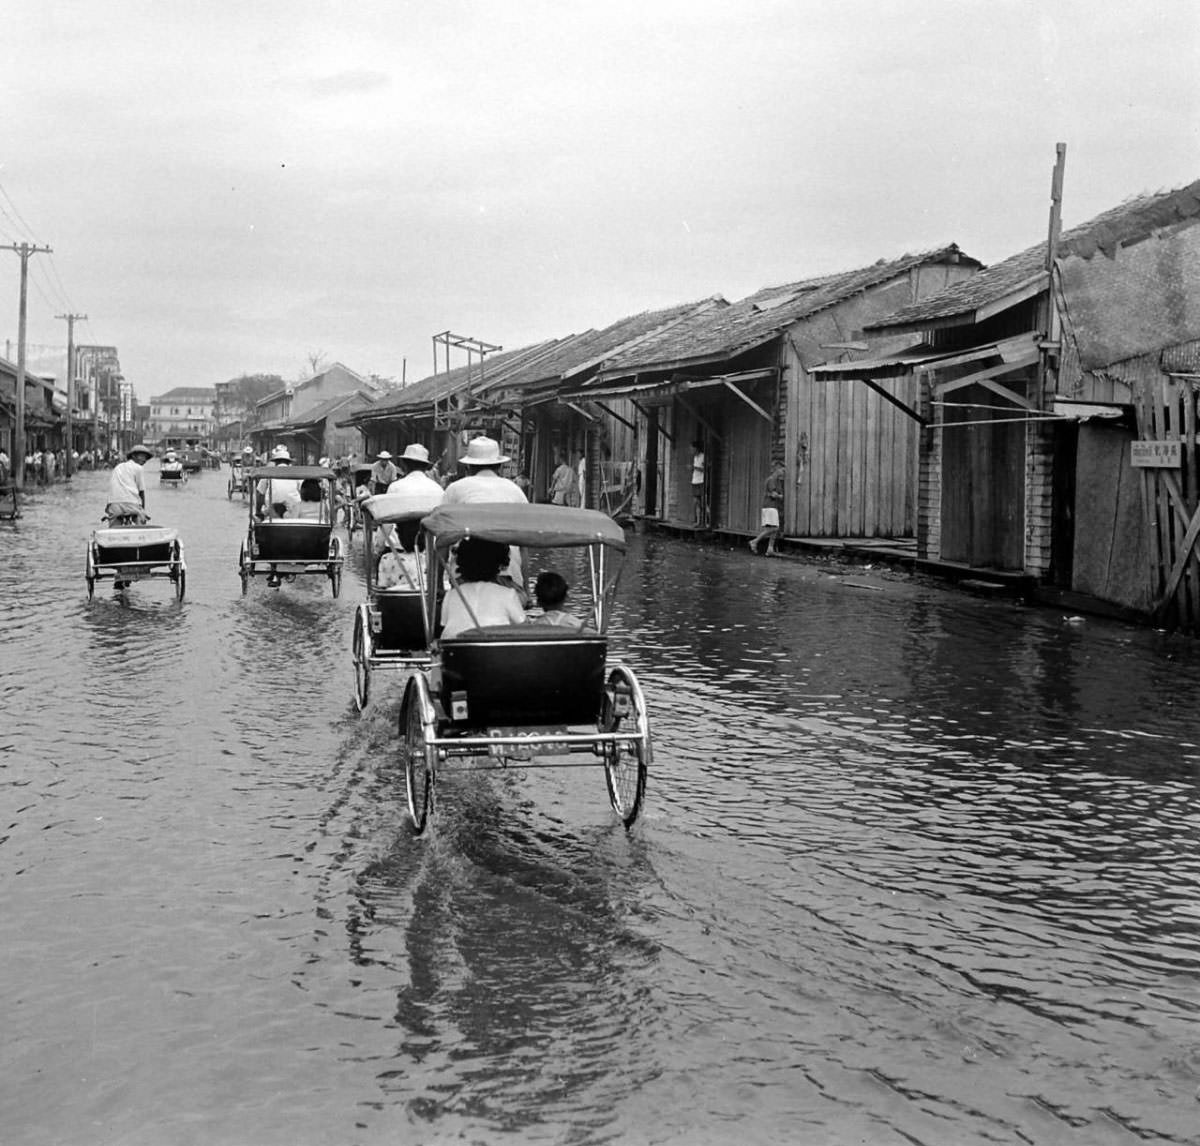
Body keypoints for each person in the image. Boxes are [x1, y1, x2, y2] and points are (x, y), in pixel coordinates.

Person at [442, 435, 528, 590]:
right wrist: (526, 589)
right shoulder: (514, 490)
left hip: (464, 576)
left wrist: (438, 587)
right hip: (508, 575)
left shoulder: (454, 489)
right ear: (499, 467)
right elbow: (524, 545)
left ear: (469, 467)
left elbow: (442, 539)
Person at [440, 537, 527, 638]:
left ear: (461, 563)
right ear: (500, 564)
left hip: (455, 649)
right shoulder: (508, 594)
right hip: (492, 648)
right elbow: (523, 628)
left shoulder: (451, 595)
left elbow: (445, 624)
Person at [106, 443, 153, 524]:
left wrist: (109, 505)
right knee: (141, 525)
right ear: (133, 456)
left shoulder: (117, 467)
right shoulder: (138, 468)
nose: (144, 460)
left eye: (145, 457)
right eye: (142, 456)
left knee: (114, 528)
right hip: (132, 505)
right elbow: (141, 492)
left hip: (114, 504)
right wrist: (143, 512)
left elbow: (112, 488)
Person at [749, 459, 786, 556]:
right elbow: (774, 495)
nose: (783, 472)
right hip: (769, 506)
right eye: (782, 470)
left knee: (773, 528)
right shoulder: (771, 480)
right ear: (777, 469)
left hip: (774, 506)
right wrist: (779, 496)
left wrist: (778, 495)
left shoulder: (778, 481)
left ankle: (770, 549)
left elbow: (779, 494)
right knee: (775, 528)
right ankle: (755, 541)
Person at [256, 445, 300, 518]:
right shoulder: (296, 474)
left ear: (275, 462)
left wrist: (258, 513)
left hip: (272, 512)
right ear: (289, 463)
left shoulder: (268, 472)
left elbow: (260, 494)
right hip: (293, 513)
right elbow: (301, 492)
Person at [691, 438, 706, 526]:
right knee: (696, 502)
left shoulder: (702, 456)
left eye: (692, 448)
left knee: (702, 502)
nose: (691, 450)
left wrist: (694, 468)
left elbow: (705, 469)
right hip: (695, 481)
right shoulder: (695, 458)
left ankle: (704, 521)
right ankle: (698, 521)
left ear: (696, 448)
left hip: (701, 481)